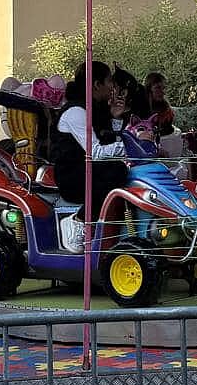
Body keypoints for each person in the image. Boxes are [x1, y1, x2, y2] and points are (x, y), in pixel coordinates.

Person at [52, 61, 147, 252]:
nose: (113, 87)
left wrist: (116, 118)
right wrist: (130, 146)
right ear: (97, 84)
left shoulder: (95, 110)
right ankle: (77, 221)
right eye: (110, 81)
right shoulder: (76, 112)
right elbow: (95, 152)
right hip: (73, 176)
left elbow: (108, 142)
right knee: (116, 170)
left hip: (90, 171)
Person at [145, 73, 176, 137]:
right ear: (149, 89)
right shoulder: (140, 108)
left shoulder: (167, 109)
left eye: (163, 88)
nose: (163, 92)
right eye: (158, 88)